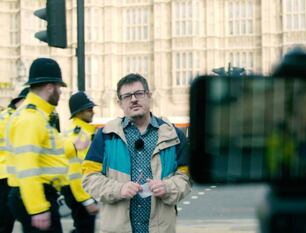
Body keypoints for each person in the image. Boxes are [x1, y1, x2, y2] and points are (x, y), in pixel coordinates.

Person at [82, 73, 191, 233]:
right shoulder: (105, 135)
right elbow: (89, 178)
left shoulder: (174, 135)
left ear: (149, 96)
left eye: (138, 93)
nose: (133, 99)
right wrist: (119, 189)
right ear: (120, 103)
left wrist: (167, 187)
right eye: (127, 96)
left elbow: (186, 178)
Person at [5, 57, 89, 233]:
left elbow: (52, 149)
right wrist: (38, 208)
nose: (60, 92)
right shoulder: (31, 118)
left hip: (42, 194)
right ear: (50, 87)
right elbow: (27, 167)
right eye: (59, 88)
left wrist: (75, 145)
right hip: (36, 196)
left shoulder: (39, 115)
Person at [61, 91, 99, 233]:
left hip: (77, 188)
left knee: (82, 227)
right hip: (79, 189)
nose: (92, 112)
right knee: (84, 229)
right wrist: (86, 200)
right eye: (89, 109)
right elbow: (76, 171)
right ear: (79, 111)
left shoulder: (80, 131)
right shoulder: (80, 135)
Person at [0, 87, 29, 233]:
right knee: (6, 220)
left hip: (8, 174)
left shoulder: (6, 116)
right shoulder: (14, 119)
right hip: (7, 175)